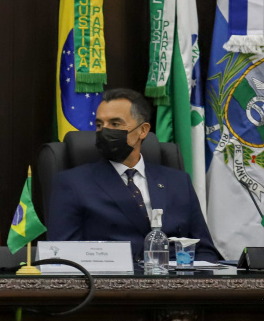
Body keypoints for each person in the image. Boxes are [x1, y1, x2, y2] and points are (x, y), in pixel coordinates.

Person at [47, 88, 222, 262]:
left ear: (143, 130)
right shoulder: (73, 184)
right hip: (110, 277)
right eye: (100, 125)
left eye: (115, 124)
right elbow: (62, 255)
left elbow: (205, 251)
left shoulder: (178, 182)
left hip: (175, 276)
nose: (104, 131)